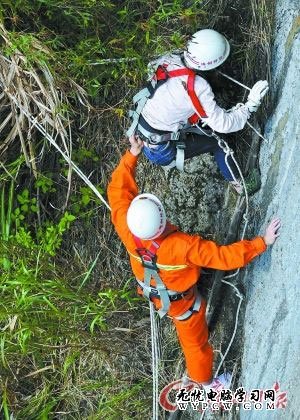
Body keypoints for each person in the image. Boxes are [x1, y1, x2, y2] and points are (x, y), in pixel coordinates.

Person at [107, 134, 281, 388]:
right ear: (162, 219)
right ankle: (207, 384)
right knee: (195, 344)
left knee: (190, 331)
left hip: (157, 291)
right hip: (183, 303)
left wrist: (131, 155)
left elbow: (117, 190)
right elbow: (222, 257)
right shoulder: (182, 247)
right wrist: (261, 242)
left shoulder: (125, 225)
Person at [127, 29, 269, 194]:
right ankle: (241, 186)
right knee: (218, 142)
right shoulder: (197, 87)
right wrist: (250, 106)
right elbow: (224, 124)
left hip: (141, 133)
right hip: (161, 149)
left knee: (202, 123)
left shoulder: (167, 58)